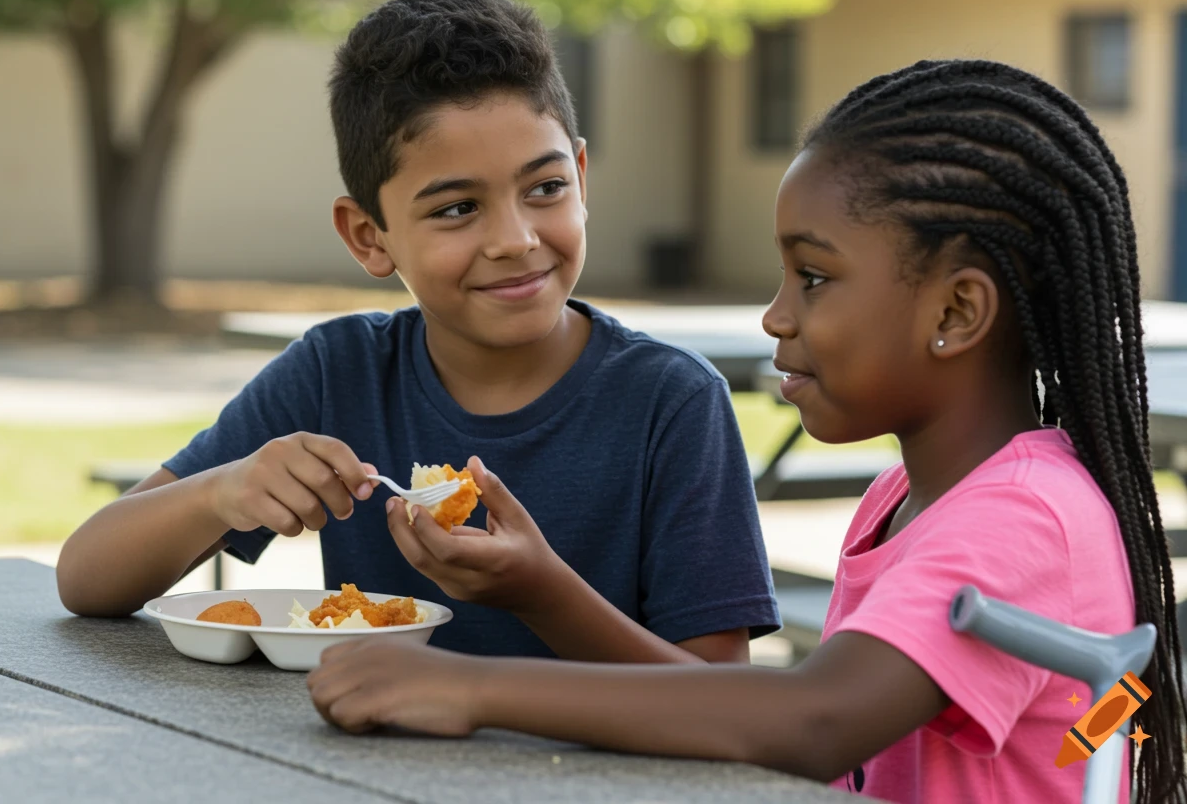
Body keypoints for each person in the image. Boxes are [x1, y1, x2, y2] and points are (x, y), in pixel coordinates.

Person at [306, 59, 1187, 804]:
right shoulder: (911, 500)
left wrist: (471, 685)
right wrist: (543, 591)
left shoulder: (1021, 519)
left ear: (956, 310)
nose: (775, 316)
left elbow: (814, 723)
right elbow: (744, 714)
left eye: (813, 277)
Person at [55, 0, 779, 665]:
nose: (516, 238)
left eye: (546, 188)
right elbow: (87, 579)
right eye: (457, 208)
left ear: (582, 182)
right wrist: (222, 492)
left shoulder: (671, 404)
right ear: (369, 236)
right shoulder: (338, 375)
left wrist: (541, 596)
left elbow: (722, 701)